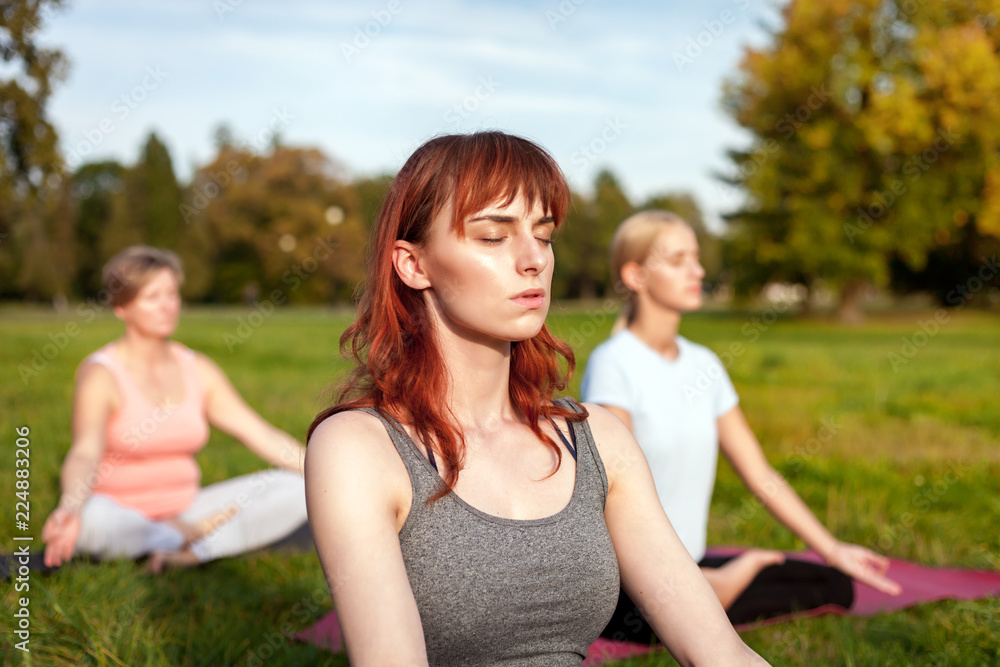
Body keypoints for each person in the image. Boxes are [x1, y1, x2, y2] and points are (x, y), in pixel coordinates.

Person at [304, 132, 768, 666]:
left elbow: (720, 653)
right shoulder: (361, 449)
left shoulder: (596, 438)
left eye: (543, 235)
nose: (534, 261)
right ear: (413, 265)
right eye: (492, 237)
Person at [580, 210, 902, 640]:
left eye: (696, 258)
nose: (698, 270)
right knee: (650, 610)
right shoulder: (613, 363)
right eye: (678, 260)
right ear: (635, 274)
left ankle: (716, 586)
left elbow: (761, 475)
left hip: (688, 563)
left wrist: (832, 548)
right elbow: (618, 497)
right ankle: (719, 585)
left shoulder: (704, 365)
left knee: (833, 583)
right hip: (632, 578)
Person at [42, 246, 308, 573]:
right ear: (121, 306)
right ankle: (181, 538)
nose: (168, 306)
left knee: (298, 488)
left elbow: (260, 434)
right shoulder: (101, 373)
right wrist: (70, 506)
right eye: (153, 297)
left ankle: (193, 551)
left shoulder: (198, 368)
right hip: (120, 512)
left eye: (172, 294)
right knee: (90, 524)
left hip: (189, 508)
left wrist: (322, 471)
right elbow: (85, 451)